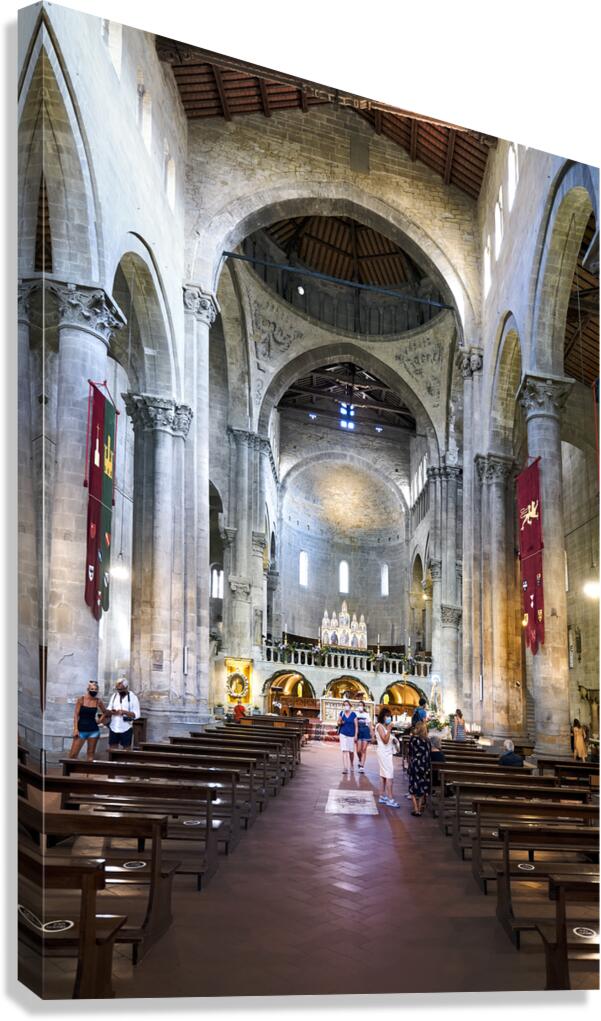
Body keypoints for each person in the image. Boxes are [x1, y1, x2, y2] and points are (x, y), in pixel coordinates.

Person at [68, 680, 107, 760]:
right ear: (88, 689)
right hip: (81, 730)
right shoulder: (81, 699)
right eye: (92, 689)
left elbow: (105, 712)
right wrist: (75, 729)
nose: (94, 691)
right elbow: (76, 715)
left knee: (90, 755)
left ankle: (88, 772)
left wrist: (100, 720)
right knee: (73, 755)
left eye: (96, 689)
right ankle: (68, 771)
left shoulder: (98, 701)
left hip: (93, 731)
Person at [105, 677, 140, 749]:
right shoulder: (114, 696)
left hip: (126, 727)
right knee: (112, 748)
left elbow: (137, 714)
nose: (119, 691)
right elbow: (109, 708)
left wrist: (124, 712)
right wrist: (111, 712)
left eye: (121, 689)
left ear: (126, 687)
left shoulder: (133, 697)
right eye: (117, 689)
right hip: (113, 726)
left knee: (126, 749)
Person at [374, 706, 400, 807]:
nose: (389, 718)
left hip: (386, 753)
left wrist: (393, 739)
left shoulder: (384, 726)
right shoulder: (380, 726)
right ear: (382, 717)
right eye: (387, 716)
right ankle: (390, 798)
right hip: (384, 753)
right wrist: (389, 730)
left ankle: (381, 796)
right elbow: (384, 740)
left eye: (390, 716)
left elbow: (388, 739)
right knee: (389, 776)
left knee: (383, 775)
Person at [408, 720, 431, 816]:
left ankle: (416, 809)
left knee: (413, 785)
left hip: (415, 765)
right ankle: (420, 808)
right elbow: (429, 754)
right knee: (422, 786)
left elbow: (410, 753)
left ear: (417, 729)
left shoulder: (413, 739)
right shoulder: (427, 741)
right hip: (425, 765)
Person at [338, 699, 358, 775]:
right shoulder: (342, 713)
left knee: (351, 752)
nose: (346, 706)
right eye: (345, 705)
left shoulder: (353, 714)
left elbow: (356, 726)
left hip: (351, 735)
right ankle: (345, 768)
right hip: (343, 733)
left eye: (347, 705)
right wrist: (340, 722)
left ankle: (352, 764)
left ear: (350, 706)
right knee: (344, 750)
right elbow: (338, 722)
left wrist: (356, 735)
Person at [355, 699, 373, 772]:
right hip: (359, 732)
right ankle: (360, 759)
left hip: (365, 731)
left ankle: (362, 766)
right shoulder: (356, 714)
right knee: (358, 750)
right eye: (359, 705)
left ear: (363, 706)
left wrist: (372, 733)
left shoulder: (366, 714)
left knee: (364, 750)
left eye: (361, 705)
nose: (360, 707)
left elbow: (370, 724)